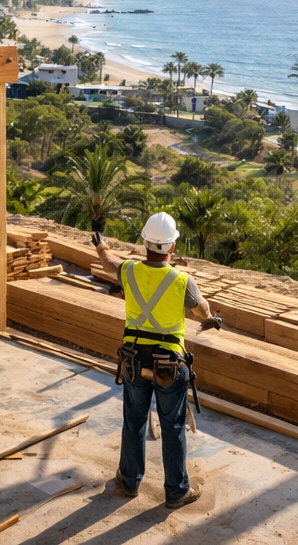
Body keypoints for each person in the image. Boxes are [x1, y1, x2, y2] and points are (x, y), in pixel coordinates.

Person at [93, 212, 222, 508]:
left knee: (134, 420)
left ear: (144, 243)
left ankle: (129, 480)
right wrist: (212, 318)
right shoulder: (182, 281)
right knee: (172, 425)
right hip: (169, 365)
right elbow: (201, 310)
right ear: (172, 247)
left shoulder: (129, 271)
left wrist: (101, 245)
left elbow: (108, 262)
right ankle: (176, 492)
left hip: (134, 359)